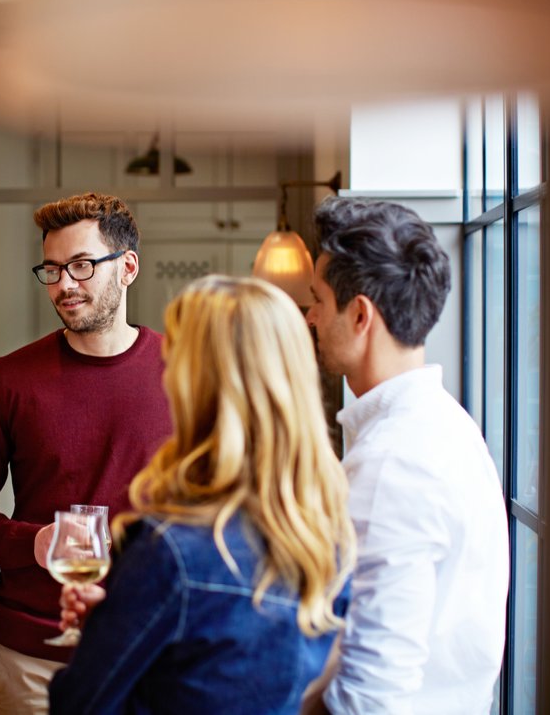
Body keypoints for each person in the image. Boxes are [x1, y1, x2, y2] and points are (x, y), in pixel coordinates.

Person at [47, 275, 356, 715]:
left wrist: (108, 631)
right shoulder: (326, 532)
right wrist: (123, 617)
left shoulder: (170, 549)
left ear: (199, 386)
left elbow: (79, 705)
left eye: (174, 362)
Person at [0, 194, 173, 715]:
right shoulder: (8, 379)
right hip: (36, 651)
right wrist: (35, 543)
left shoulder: (186, 370)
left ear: (128, 268)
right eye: (52, 270)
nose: (64, 285)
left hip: (152, 642)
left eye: (81, 266)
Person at [301, 197, 510, 715]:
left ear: (360, 315)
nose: (309, 317)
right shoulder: (446, 426)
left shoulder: (393, 463)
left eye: (317, 300)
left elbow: (369, 694)